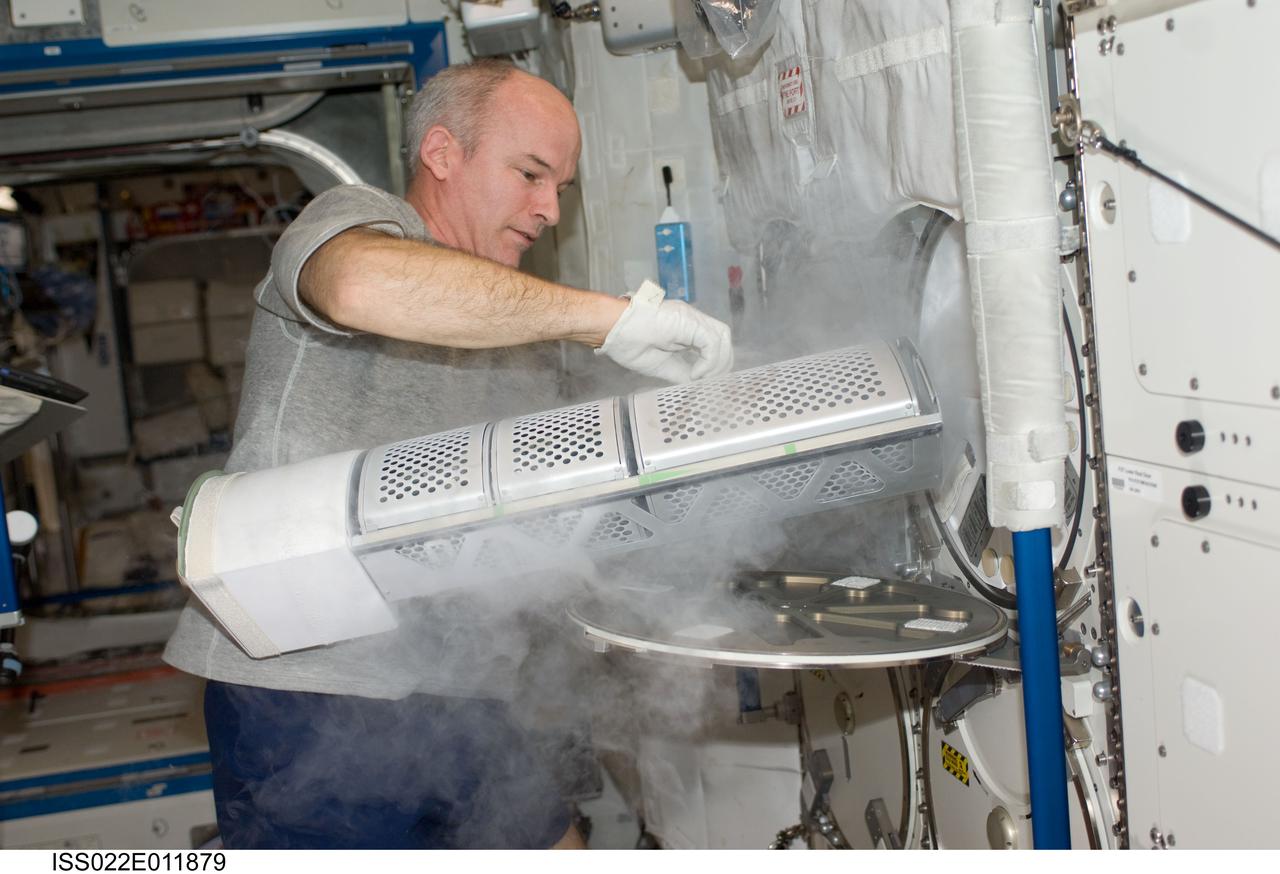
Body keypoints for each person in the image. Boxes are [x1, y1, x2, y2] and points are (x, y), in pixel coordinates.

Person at [162, 60, 733, 849]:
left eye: (560, 189)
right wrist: (609, 320)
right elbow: (360, 287)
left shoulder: (519, 341)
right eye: (530, 174)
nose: (547, 210)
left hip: (462, 685)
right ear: (441, 152)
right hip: (310, 689)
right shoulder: (354, 221)